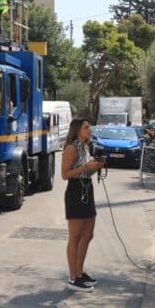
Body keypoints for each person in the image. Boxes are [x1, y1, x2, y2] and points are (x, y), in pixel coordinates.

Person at [62, 118, 104, 292]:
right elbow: (65, 174)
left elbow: (86, 171)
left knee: (88, 234)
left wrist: (97, 166)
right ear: (78, 130)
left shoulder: (86, 147)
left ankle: (80, 272)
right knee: (75, 236)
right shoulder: (71, 148)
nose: (90, 129)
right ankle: (73, 278)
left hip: (87, 190)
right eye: (86, 127)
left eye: (89, 127)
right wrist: (86, 166)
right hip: (75, 192)